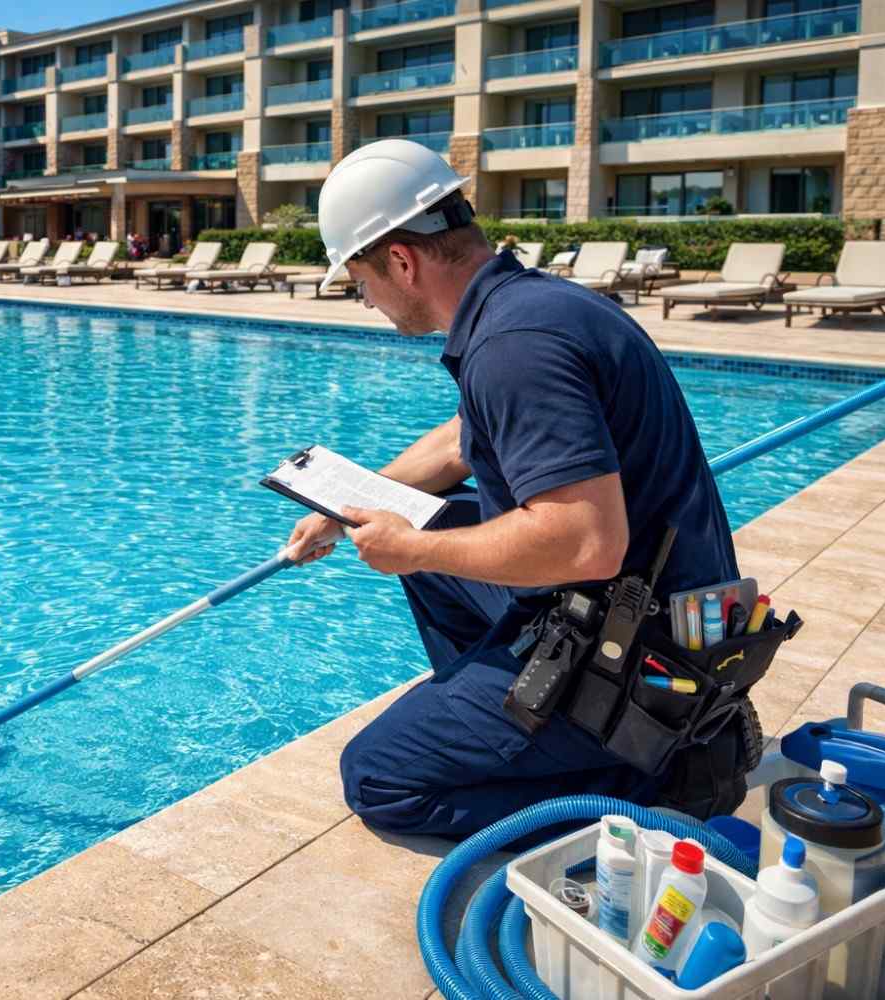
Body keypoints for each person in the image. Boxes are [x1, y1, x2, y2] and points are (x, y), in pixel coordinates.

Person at [285, 139, 752, 839]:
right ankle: (518, 721)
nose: (365, 300)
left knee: (379, 776)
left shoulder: (514, 347)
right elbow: (457, 443)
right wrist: (347, 504)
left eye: (360, 281)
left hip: (639, 658)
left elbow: (587, 543)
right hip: (658, 613)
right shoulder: (530, 305)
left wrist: (411, 550)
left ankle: (655, 771)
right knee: (434, 528)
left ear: (403, 262)